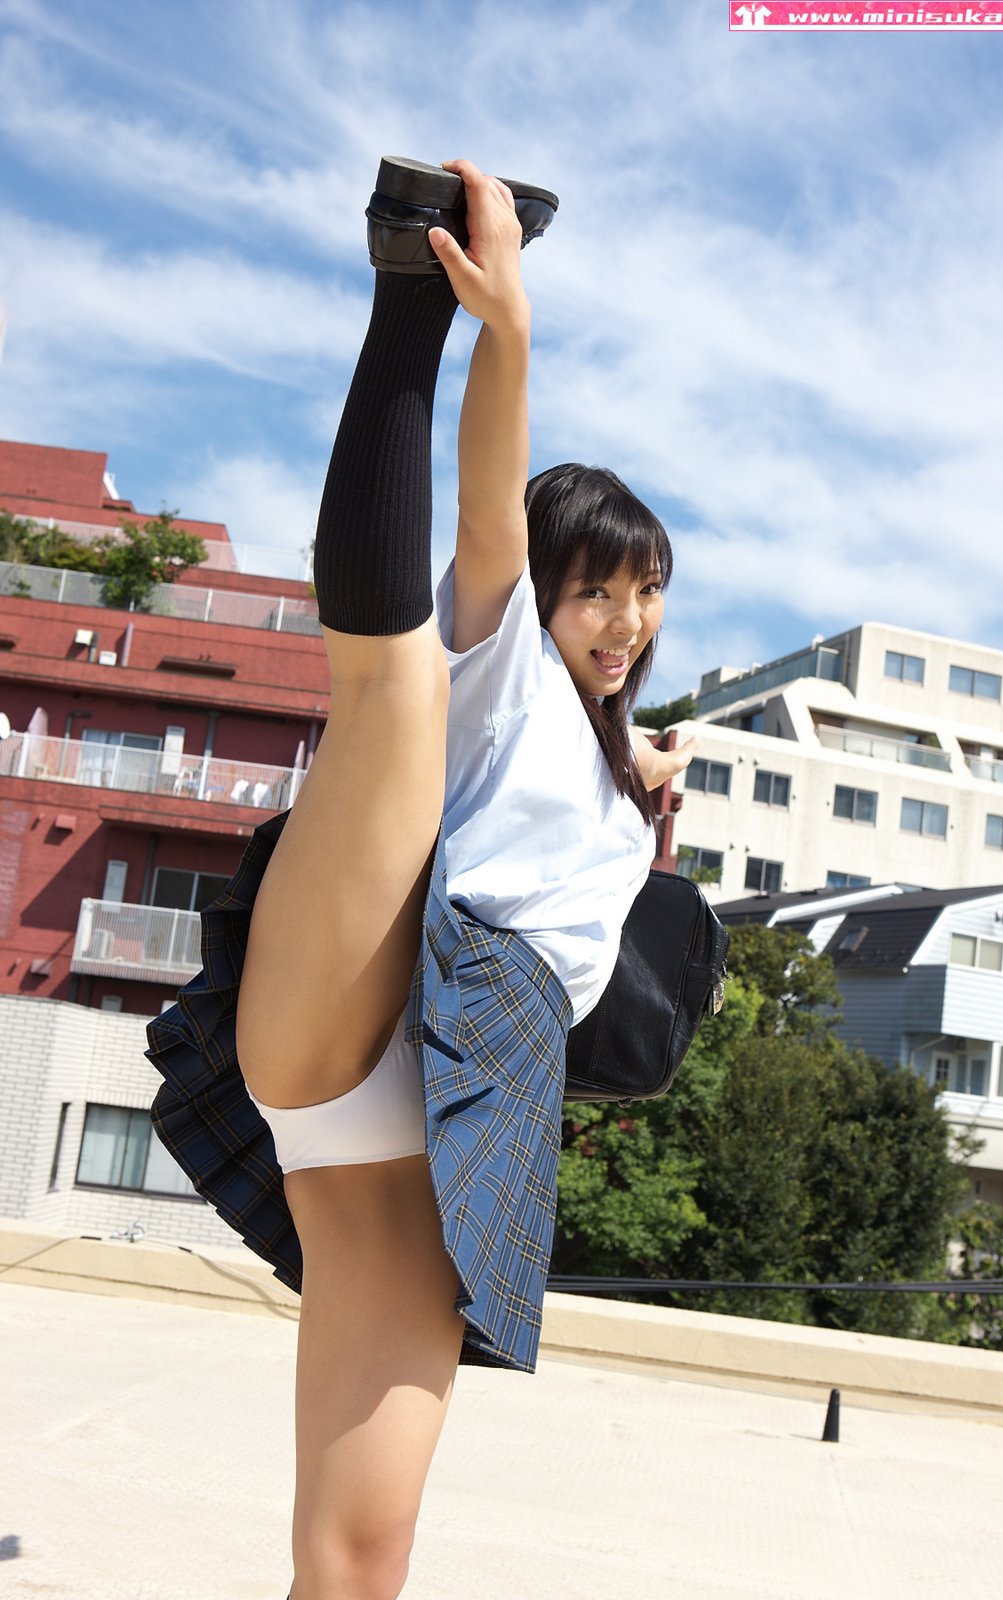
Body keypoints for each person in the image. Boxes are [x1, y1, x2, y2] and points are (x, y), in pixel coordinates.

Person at [147, 156, 693, 1600]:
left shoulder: (616, 781)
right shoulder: (503, 661)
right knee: (394, 689)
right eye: (596, 588)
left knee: (361, 1559)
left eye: (647, 592)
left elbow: (617, 974)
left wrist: (646, 794)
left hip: (415, 1166)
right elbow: (489, 510)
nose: (625, 619)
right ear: (546, 592)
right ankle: (409, 289)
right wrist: (505, 331)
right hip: (375, 993)